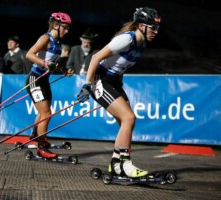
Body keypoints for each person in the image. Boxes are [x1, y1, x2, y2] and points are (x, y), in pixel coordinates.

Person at [77, 7, 161, 178]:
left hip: (114, 82)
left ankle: (116, 162)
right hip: (100, 80)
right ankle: (126, 164)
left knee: (127, 122)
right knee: (129, 118)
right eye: (152, 27)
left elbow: (120, 67)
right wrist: (87, 84)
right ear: (140, 26)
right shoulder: (126, 39)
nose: (156, 32)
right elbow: (95, 58)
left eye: (157, 28)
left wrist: (119, 88)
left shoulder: (142, 43)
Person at [25, 12, 74, 159]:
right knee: (46, 113)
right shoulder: (46, 38)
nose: (66, 31)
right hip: (35, 78)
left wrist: (63, 70)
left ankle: (35, 135)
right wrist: (46, 64)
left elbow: (54, 62)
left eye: (68, 28)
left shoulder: (58, 43)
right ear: (55, 25)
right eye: (64, 27)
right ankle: (42, 146)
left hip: (44, 79)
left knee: (43, 112)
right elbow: (29, 54)